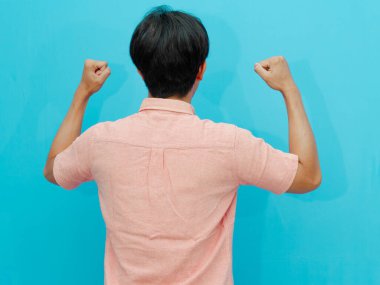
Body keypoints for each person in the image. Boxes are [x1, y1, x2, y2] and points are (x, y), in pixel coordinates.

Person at [43, 5, 321, 285]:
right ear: (201, 70)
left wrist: (83, 93)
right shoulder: (230, 143)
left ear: (140, 71)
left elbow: (54, 170)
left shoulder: (101, 140)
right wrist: (289, 89)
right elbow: (308, 176)